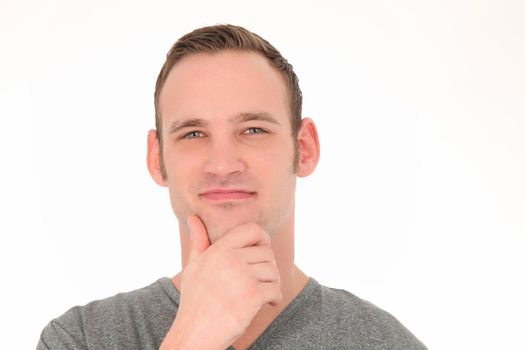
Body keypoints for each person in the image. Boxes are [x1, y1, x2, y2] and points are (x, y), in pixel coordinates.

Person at [37, 24, 426, 350]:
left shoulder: (384, 343)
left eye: (253, 129)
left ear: (303, 149)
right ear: (157, 159)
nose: (222, 164)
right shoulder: (80, 339)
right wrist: (193, 339)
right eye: (192, 133)